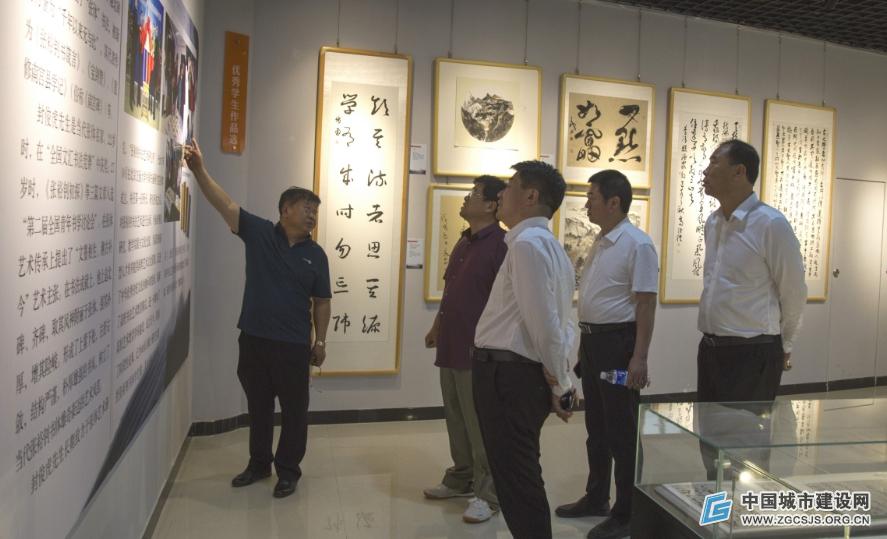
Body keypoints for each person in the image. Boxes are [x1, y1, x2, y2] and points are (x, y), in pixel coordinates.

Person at [183, 140, 331, 498]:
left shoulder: (317, 255)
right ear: (285, 210)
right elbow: (225, 204)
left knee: (295, 411)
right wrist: (199, 169)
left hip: (293, 345)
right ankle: (259, 464)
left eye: (315, 211)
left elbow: (322, 302)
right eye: (306, 208)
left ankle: (288, 471)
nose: (312, 215)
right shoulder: (260, 233)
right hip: (254, 339)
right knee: (259, 406)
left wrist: (321, 341)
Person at [472, 160, 577, 539]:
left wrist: (561, 383)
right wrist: (562, 377)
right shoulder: (548, 247)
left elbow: (545, 324)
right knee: (519, 473)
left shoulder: (528, 246)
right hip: (517, 375)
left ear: (531, 196)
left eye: (510, 186)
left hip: (508, 376)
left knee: (517, 478)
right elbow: (566, 325)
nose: (502, 193)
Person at [555, 170, 659, 539]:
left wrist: (639, 358)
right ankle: (597, 497)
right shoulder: (602, 240)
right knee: (596, 428)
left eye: (592, 197)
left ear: (614, 202)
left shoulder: (637, 244)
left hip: (619, 347)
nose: (586, 204)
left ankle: (627, 512)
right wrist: (584, 348)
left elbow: (645, 304)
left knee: (621, 430)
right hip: (595, 345)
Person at [696, 140, 806, 476]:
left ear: (739, 171)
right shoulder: (714, 222)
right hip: (712, 349)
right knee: (711, 440)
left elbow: (794, 291)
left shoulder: (770, 224)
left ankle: (745, 508)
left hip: (753, 353)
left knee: (746, 446)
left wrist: (785, 344)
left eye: (714, 162)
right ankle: (716, 504)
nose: (705, 171)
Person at [423, 176, 507, 523]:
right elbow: (452, 292)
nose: (466, 198)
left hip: (479, 350)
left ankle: (489, 494)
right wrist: (437, 327)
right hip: (451, 343)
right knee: (456, 416)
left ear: (490, 205)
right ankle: (461, 477)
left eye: (473, 194)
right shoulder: (464, 241)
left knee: (479, 423)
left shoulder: (501, 245)